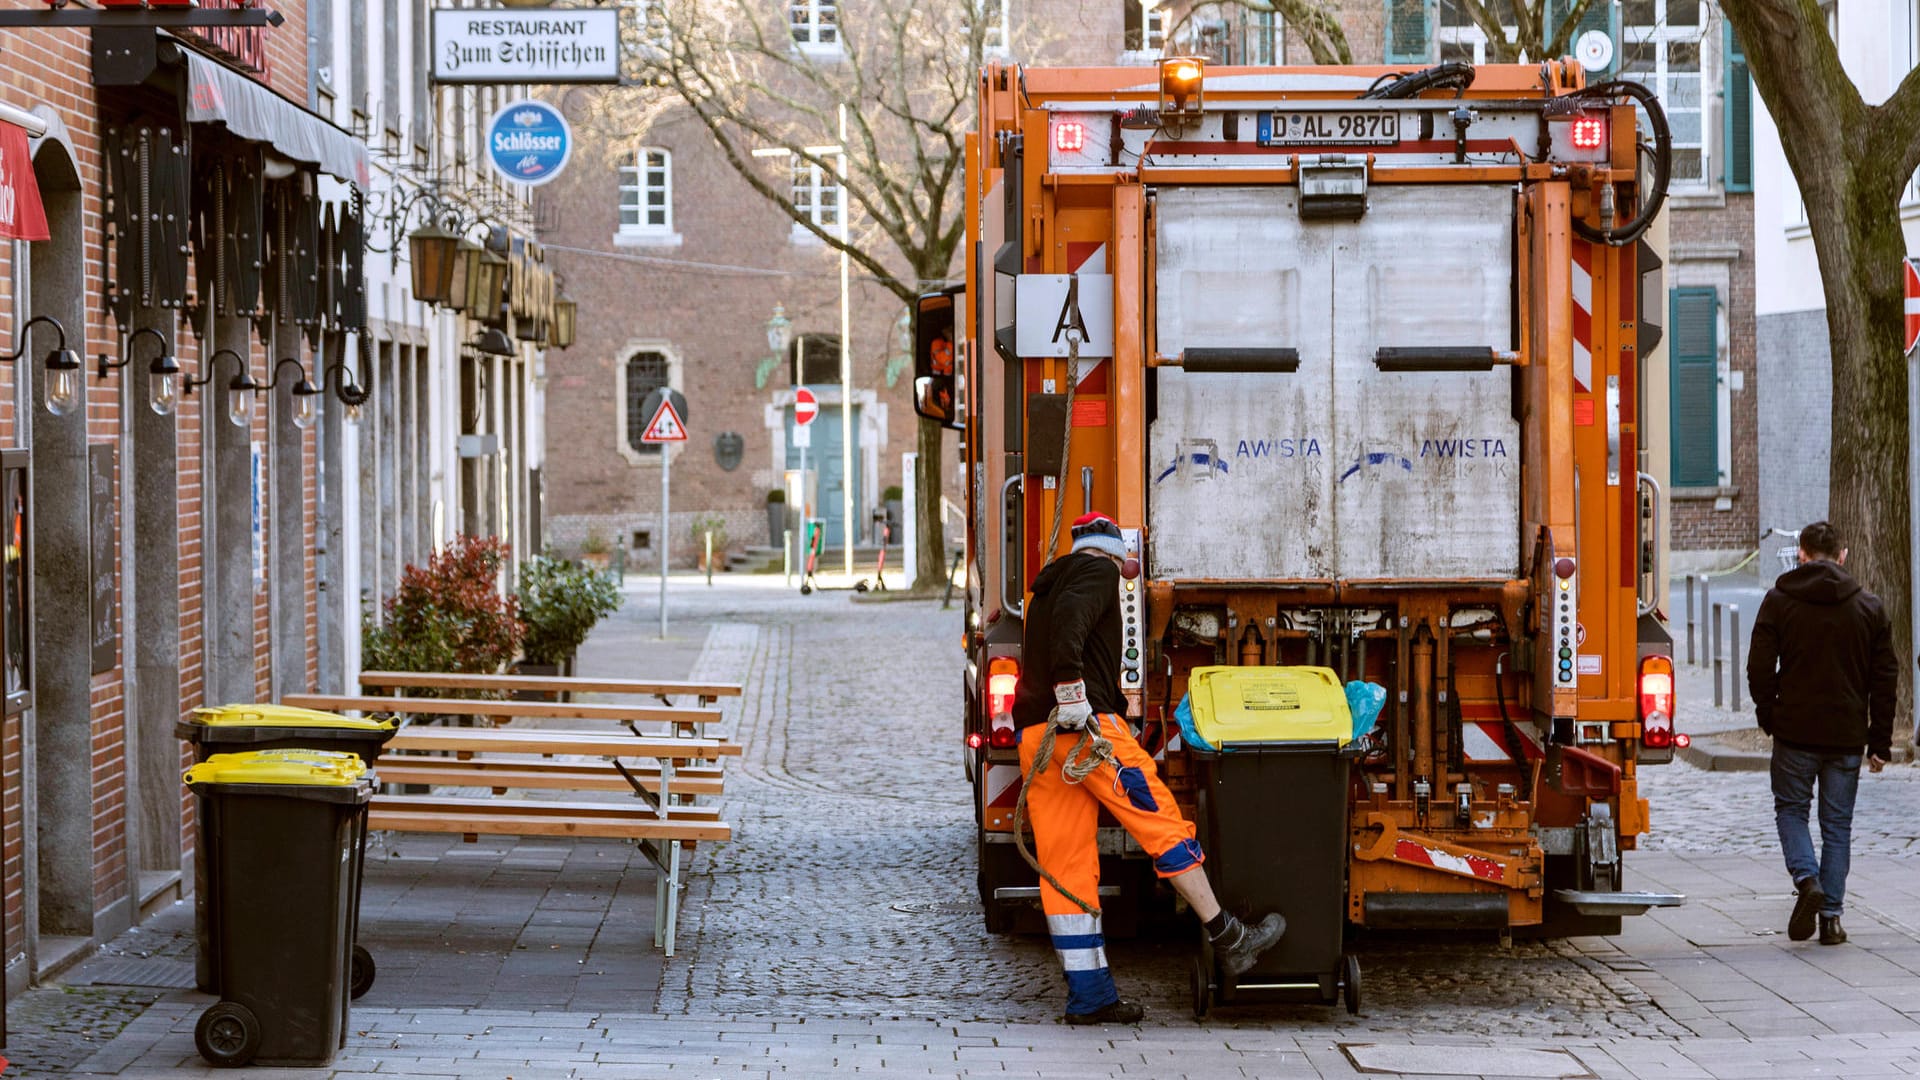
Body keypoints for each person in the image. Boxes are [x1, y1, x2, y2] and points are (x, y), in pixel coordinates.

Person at [1013, 512, 1285, 1024]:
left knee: (1067, 864)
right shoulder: (1096, 573)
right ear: (1118, 557)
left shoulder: (1046, 589)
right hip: (1084, 732)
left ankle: (1090, 995)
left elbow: (1063, 624)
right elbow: (1076, 618)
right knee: (1162, 824)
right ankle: (1229, 938)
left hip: (1039, 740)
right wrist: (1073, 693)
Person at [1747, 520, 1897, 946]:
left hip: (1795, 730)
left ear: (1802, 554)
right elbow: (1884, 677)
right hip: (1846, 734)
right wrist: (1879, 741)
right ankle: (1831, 918)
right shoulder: (1869, 606)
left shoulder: (1779, 602)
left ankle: (1806, 878)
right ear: (1843, 556)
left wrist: (1769, 713)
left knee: (1791, 811)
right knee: (1837, 826)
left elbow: (1758, 667)